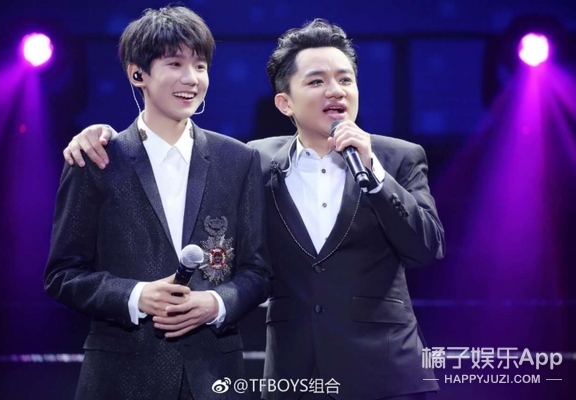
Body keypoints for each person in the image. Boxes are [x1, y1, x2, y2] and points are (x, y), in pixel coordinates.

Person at [62, 19, 445, 400]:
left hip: (388, 373)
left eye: (345, 79)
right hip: (295, 377)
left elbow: (426, 249)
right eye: (316, 81)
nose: (335, 90)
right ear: (284, 102)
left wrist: (375, 174)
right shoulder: (251, 161)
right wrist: (100, 136)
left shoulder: (398, 158)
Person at [44, 6, 271, 400]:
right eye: (175, 64)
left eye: (200, 66)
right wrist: (136, 296)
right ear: (138, 75)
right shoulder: (97, 159)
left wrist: (216, 303)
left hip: (214, 377)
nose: (191, 78)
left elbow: (258, 271)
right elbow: (62, 274)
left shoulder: (239, 160)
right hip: (120, 377)